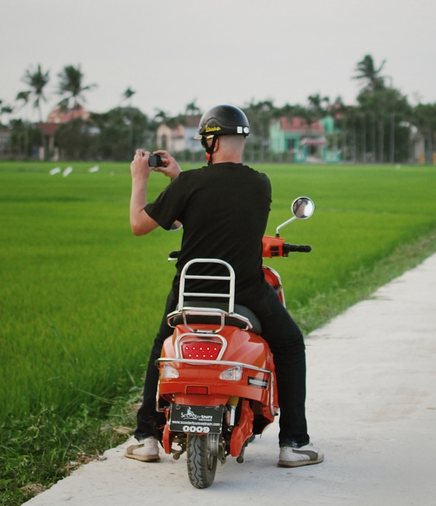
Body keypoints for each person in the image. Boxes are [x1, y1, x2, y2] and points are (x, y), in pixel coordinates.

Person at [125, 104, 323, 468]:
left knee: (162, 349)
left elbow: (141, 224)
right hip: (243, 292)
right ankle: (293, 442)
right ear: (241, 140)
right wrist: (179, 178)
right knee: (291, 345)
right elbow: (217, 204)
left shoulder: (189, 184)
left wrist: (141, 178)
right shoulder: (260, 184)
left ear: (210, 141)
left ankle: (147, 437)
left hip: (190, 292)